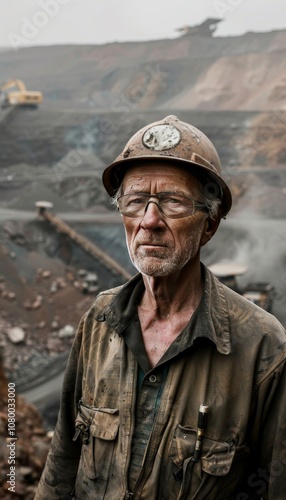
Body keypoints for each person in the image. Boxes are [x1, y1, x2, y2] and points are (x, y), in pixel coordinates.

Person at [35, 115, 286, 499]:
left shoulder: (264, 347)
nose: (149, 221)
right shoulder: (99, 321)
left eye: (172, 202)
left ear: (209, 224)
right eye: (136, 201)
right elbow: (62, 461)